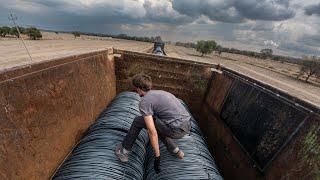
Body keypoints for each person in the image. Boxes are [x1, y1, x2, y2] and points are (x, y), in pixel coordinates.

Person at [115, 74, 191, 174]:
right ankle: (176, 150)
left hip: (175, 130)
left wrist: (157, 156)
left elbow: (152, 132)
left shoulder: (145, 102)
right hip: (187, 125)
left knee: (138, 121)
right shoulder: (161, 93)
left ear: (137, 88)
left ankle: (124, 151)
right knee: (156, 124)